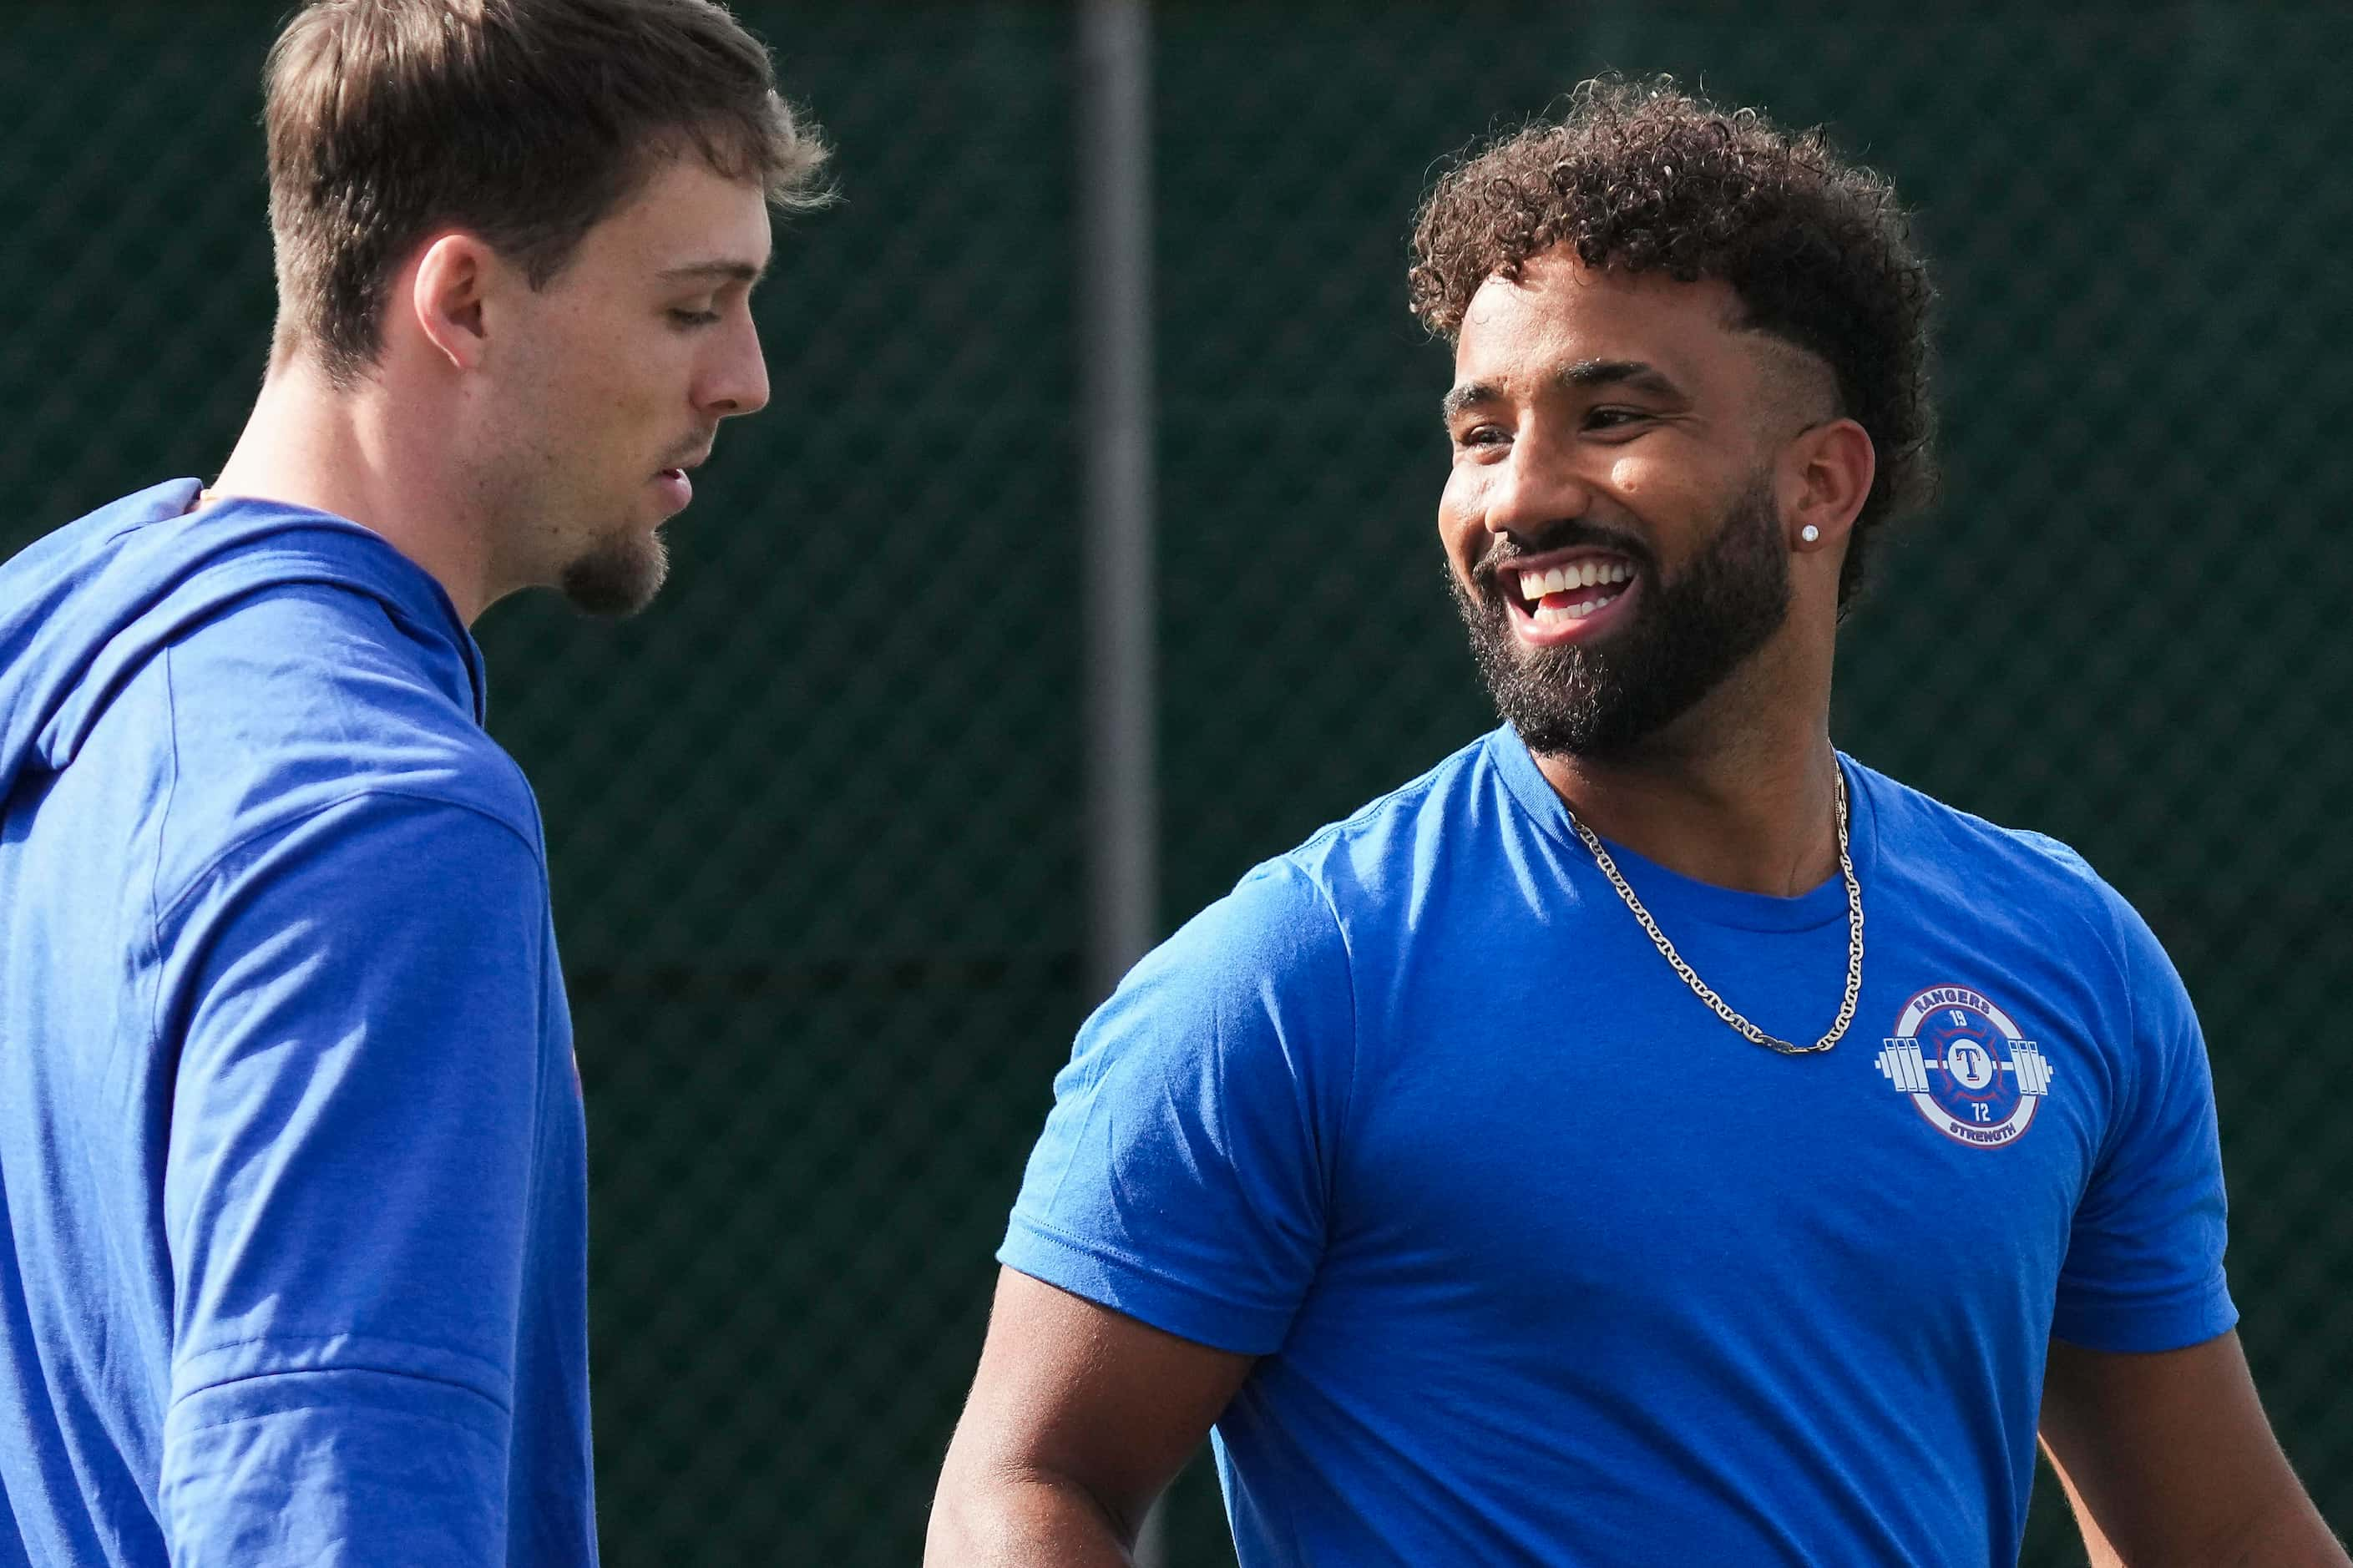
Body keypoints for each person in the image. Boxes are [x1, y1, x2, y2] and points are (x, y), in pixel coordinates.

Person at [928, 81, 2347, 1567]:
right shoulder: (1299, 977)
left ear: (1820, 481)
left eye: (1610, 417)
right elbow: (1022, 1489)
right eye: (1479, 436)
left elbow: (2220, 1531)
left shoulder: (2067, 957)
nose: (1519, 496)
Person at [0, 2, 825, 1562]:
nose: (746, 377)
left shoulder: (64, 686)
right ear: (464, 298)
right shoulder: (377, 823)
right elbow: (325, 1506)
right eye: (692, 305)